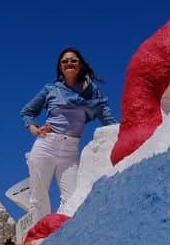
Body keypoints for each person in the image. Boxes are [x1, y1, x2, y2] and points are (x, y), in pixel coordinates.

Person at [19, 47, 118, 223]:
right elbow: (27, 112)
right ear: (60, 67)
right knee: (38, 197)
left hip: (70, 150)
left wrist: (119, 133)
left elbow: (105, 114)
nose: (69, 63)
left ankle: (62, 239)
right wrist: (34, 129)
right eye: (65, 61)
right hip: (46, 144)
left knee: (72, 199)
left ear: (80, 64)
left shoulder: (91, 91)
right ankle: (40, 240)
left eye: (73, 60)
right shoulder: (51, 89)